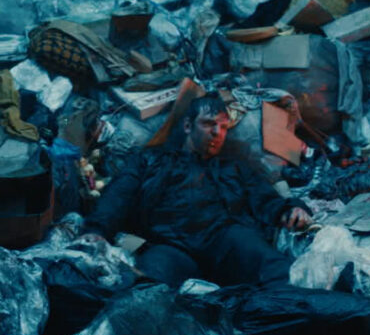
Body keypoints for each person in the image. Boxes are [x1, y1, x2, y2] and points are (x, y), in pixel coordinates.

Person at [82, 93, 312, 287]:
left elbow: (264, 196)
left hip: (225, 240)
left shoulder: (232, 168)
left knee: (279, 271)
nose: (217, 132)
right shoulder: (151, 160)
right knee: (148, 288)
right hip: (171, 245)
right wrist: (97, 229)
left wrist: (291, 209)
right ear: (187, 126)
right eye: (209, 124)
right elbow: (118, 195)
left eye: (223, 127)